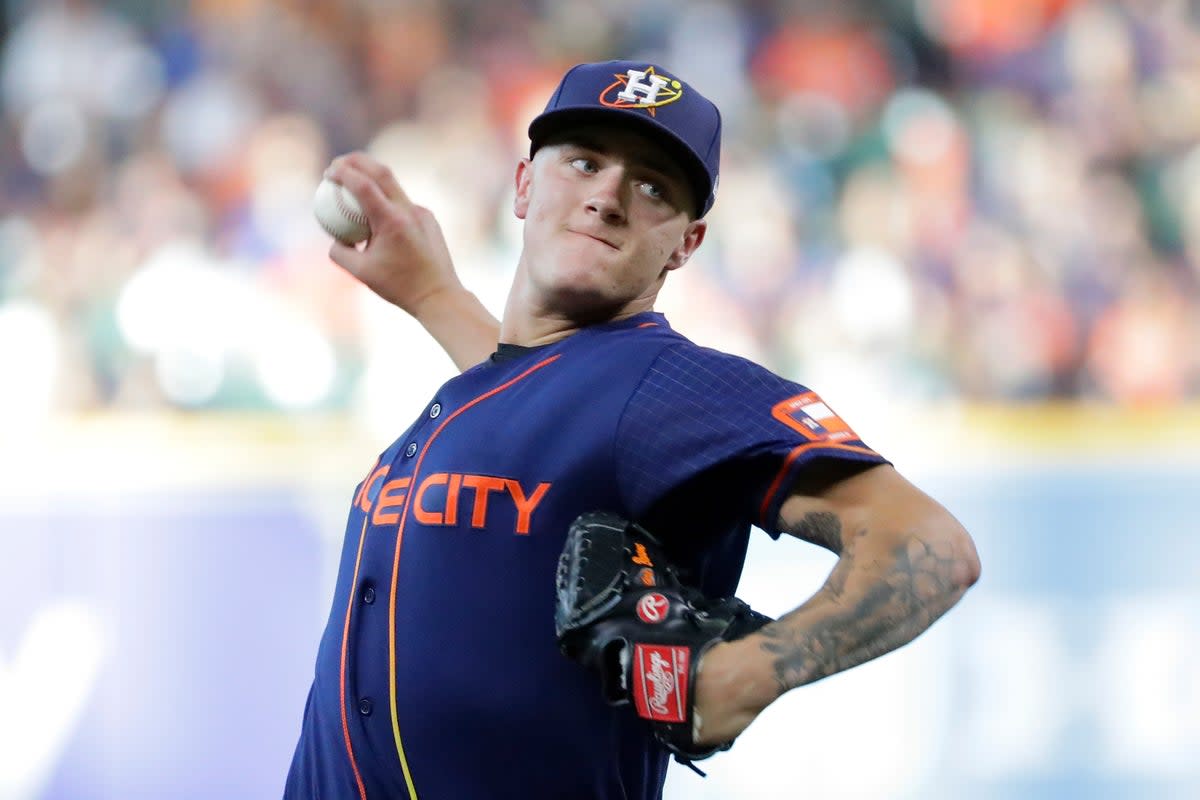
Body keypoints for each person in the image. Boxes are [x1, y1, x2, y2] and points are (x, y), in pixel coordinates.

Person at [284, 60, 980, 800]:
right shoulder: (505, 394)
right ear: (523, 185)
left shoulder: (673, 387)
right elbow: (534, 402)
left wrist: (747, 670)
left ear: (689, 241)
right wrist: (432, 294)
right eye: (583, 161)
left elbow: (931, 543)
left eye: (653, 187)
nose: (608, 196)